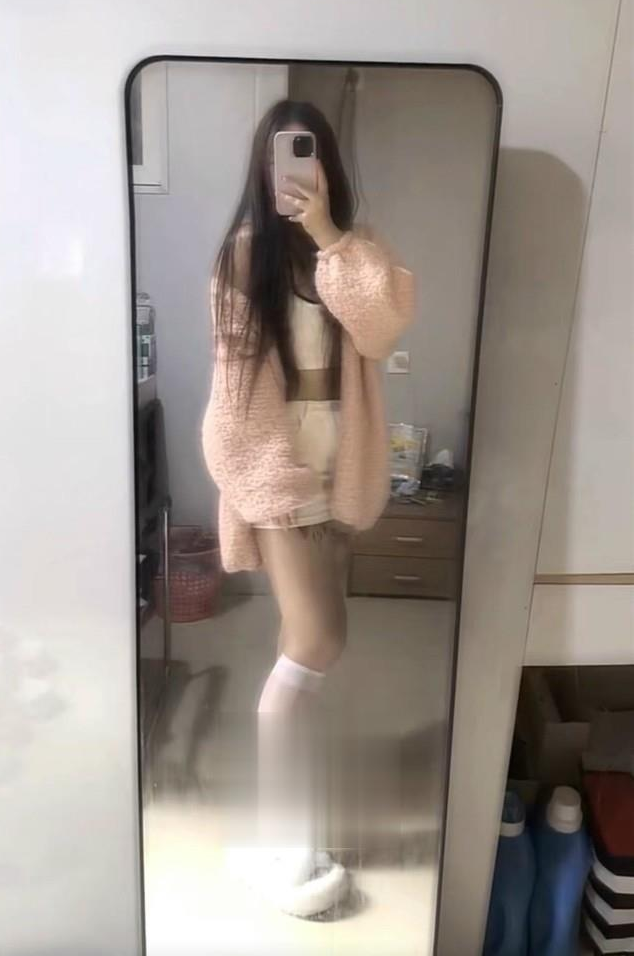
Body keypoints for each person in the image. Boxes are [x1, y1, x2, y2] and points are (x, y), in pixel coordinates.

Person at [202, 99, 415, 917]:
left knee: (308, 640)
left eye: (308, 153)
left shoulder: (354, 249)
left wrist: (328, 234)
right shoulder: (241, 257)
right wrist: (270, 484)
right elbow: (232, 394)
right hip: (278, 471)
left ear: (326, 165)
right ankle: (280, 828)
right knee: (320, 638)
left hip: (341, 468)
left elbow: (382, 330)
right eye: (282, 156)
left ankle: (285, 820)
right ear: (263, 170)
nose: (293, 169)